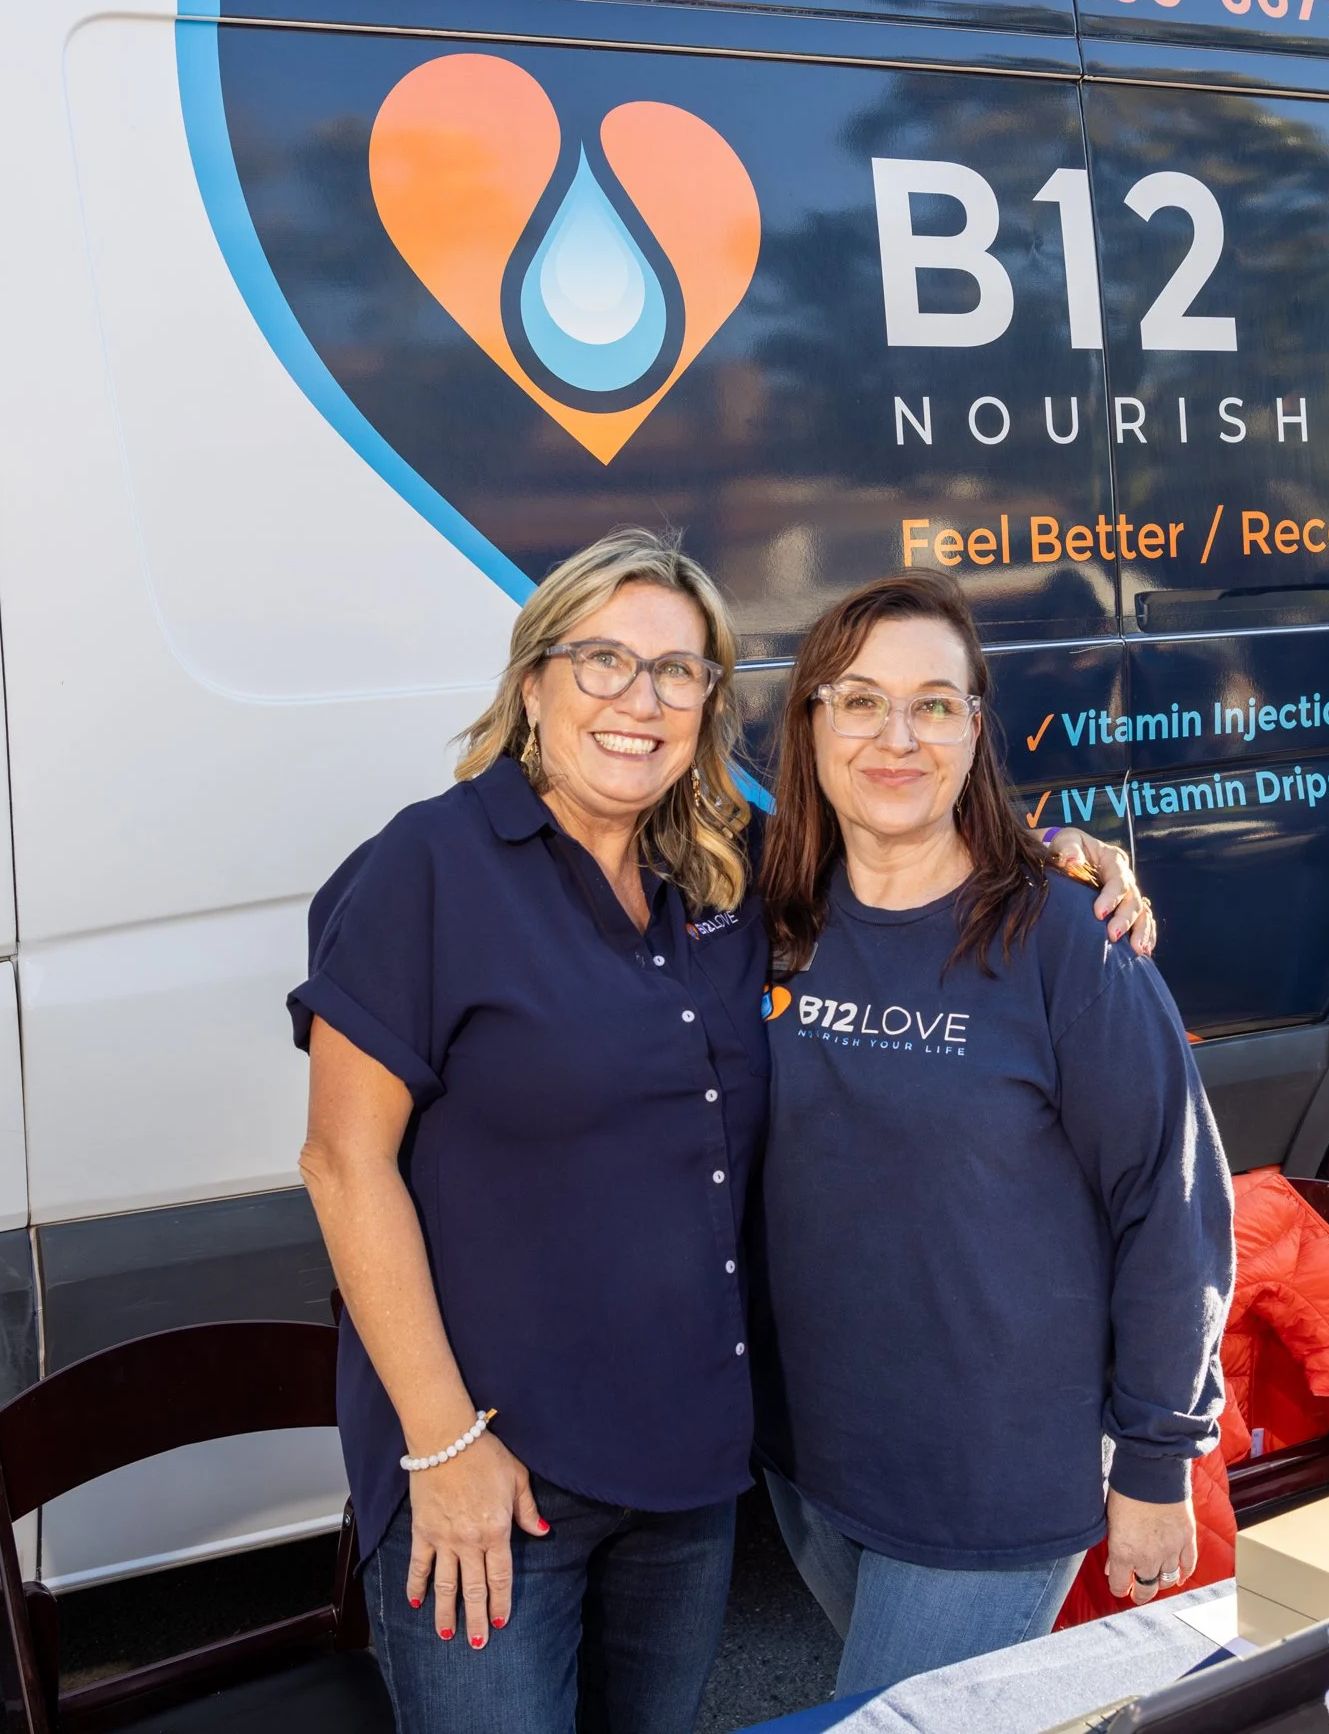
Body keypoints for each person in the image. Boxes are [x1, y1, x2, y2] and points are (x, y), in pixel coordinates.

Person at [290, 530, 1148, 1734]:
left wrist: (1053, 858)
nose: (638, 700)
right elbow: (342, 1161)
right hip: (492, 1469)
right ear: (532, 683)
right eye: (602, 661)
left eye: (677, 672)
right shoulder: (426, 867)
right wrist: (441, 1445)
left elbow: (897, 843)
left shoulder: (720, 872)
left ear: (708, 702)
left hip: (683, 1473)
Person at [753, 571, 1236, 1698]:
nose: (896, 736)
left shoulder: (1068, 936)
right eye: (859, 700)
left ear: (975, 730)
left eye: (933, 704)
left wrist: (1157, 1457)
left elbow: (1170, 1205)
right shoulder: (774, 914)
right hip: (809, 1457)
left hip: (992, 1477)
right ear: (811, 723)